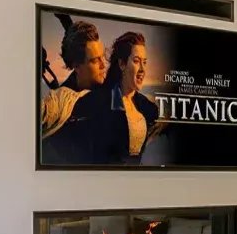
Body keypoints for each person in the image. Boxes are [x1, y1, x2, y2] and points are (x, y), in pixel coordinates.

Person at [72, 31, 161, 164]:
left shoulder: (147, 107)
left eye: (145, 62)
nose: (142, 69)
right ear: (122, 64)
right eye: (136, 61)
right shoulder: (97, 101)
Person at [39, 19, 110, 159]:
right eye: (95, 60)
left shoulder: (111, 89)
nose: (103, 65)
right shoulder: (62, 100)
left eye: (103, 57)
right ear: (76, 65)